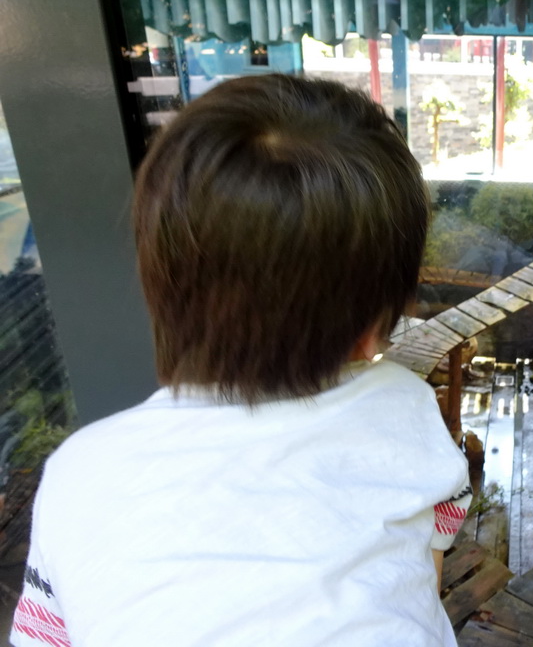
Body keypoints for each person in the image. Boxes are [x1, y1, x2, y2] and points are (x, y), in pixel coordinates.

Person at [10, 75, 472, 646]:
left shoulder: (78, 473)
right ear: (372, 326)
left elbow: (44, 635)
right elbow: (429, 565)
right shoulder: (406, 406)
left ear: (160, 286)